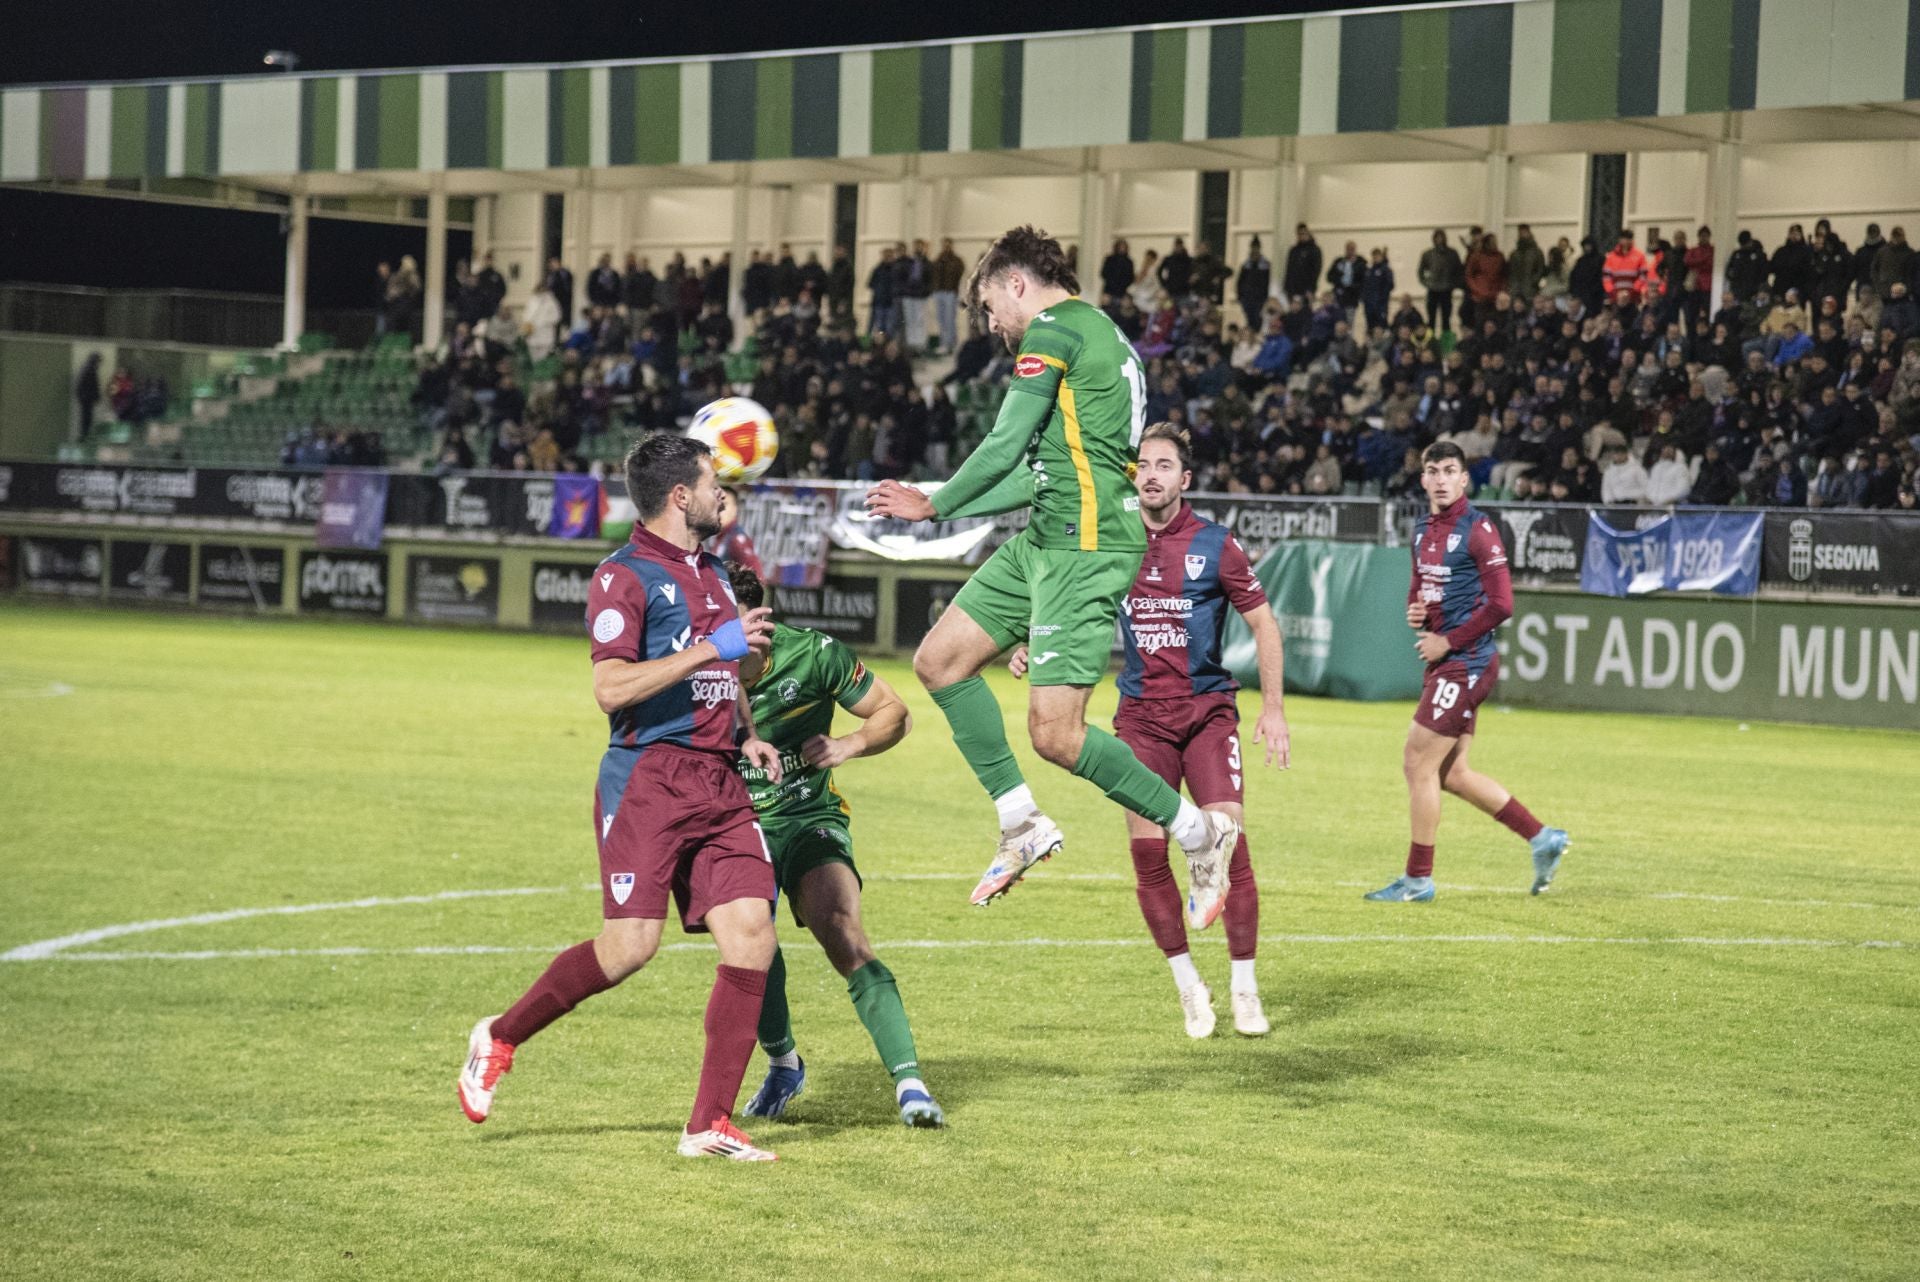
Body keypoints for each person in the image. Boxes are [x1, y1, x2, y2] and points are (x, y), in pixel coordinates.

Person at [864, 225, 1239, 917]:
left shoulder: (1054, 330)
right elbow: (1041, 475)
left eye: (988, 307)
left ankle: (1200, 834)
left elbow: (1006, 444)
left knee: (1056, 735)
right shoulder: (1095, 335)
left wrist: (935, 502)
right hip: (1048, 533)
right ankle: (1021, 822)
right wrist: (943, 507)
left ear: (1016, 285)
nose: (991, 324)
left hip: (1086, 546)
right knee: (941, 660)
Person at [457, 433, 788, 1162]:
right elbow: (611, 688)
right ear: (680, 496)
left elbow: (729, 670)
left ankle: (709, 1124)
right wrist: (713, 648)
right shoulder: (624, 576)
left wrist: (749, 725)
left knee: (752, 937)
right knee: (630, 946)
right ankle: (500, 1036)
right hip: (649, 780)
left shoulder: (715, 572)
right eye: (710, 483)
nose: (720, 494)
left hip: (720, 778)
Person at [1011, 423, 1290, 1040]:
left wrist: (1272, 708)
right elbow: (1064, 606)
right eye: (1144, 465)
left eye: (1165, 465)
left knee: (1230, 845)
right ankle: (1190, 987)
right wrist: (1035, 646)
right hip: (1140, 720)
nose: (1152, 475)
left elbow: (1265, 626)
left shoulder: (1216, 544)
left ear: (1184, 480)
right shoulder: (1112, 542)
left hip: (1207, 714)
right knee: (1147, 855)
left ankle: (1245, 987)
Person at [723, 563, 944, 1129]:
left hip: (806, 816)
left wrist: (850, 743)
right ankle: (783, 1063)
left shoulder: (815, 655)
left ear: (761, 624)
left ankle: (911, 1085)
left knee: (842, 931)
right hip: (732, 826)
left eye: (731, 625)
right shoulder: (697, 672)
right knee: (753, 948)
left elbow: (894, 712)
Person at [1365, 441, 1569, 904]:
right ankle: (1542, 838)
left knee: (1417, 763)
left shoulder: (1478, 529)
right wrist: (1414, 610)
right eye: (1432, 470)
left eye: (1449, 470)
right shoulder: (1423, 530)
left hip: (1466, 662)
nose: (1439, 478)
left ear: (1464, 479)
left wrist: (1448, 641)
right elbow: (1419, 585)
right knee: (1451, 774)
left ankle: (1418, 880)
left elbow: (1502, 604)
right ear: (1423, 479)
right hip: (1447, 662)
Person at [705, 487, 762, 577]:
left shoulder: (737, 540)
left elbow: (756, 577)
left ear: (735, 509)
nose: (719, 509)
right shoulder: (721, 536)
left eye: (725, 504)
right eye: (716, 504)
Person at [931, 237, 966, 353]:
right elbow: (934, 274)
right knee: (941, 319)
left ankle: (952, 342)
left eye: (948, 245)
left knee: (950, 319)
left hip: (950, 292)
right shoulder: (938, 259)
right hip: (939, 292)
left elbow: (959, 274)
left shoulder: (956, 260)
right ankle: (943, 342)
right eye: (944, 245)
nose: (946, 247)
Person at [1235, 238, 1271, 331]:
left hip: (1259, 299)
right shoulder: (1246, 265)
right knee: (1250, 321)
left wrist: (1265, 297)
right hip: (1247, 298)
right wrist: (1240, 297)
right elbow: (1240, 282)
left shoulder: (1265, 266)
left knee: (1257, 320)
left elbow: (1267, 282)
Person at [74, 353, 102, 441]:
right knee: (87, 418)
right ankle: (85, 435)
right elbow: (93, 385)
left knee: (85, 417)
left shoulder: (86, 369)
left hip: (85, 398)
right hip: (87, 398)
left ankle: (84, 435)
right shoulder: (90, 370)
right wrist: (96, 396)